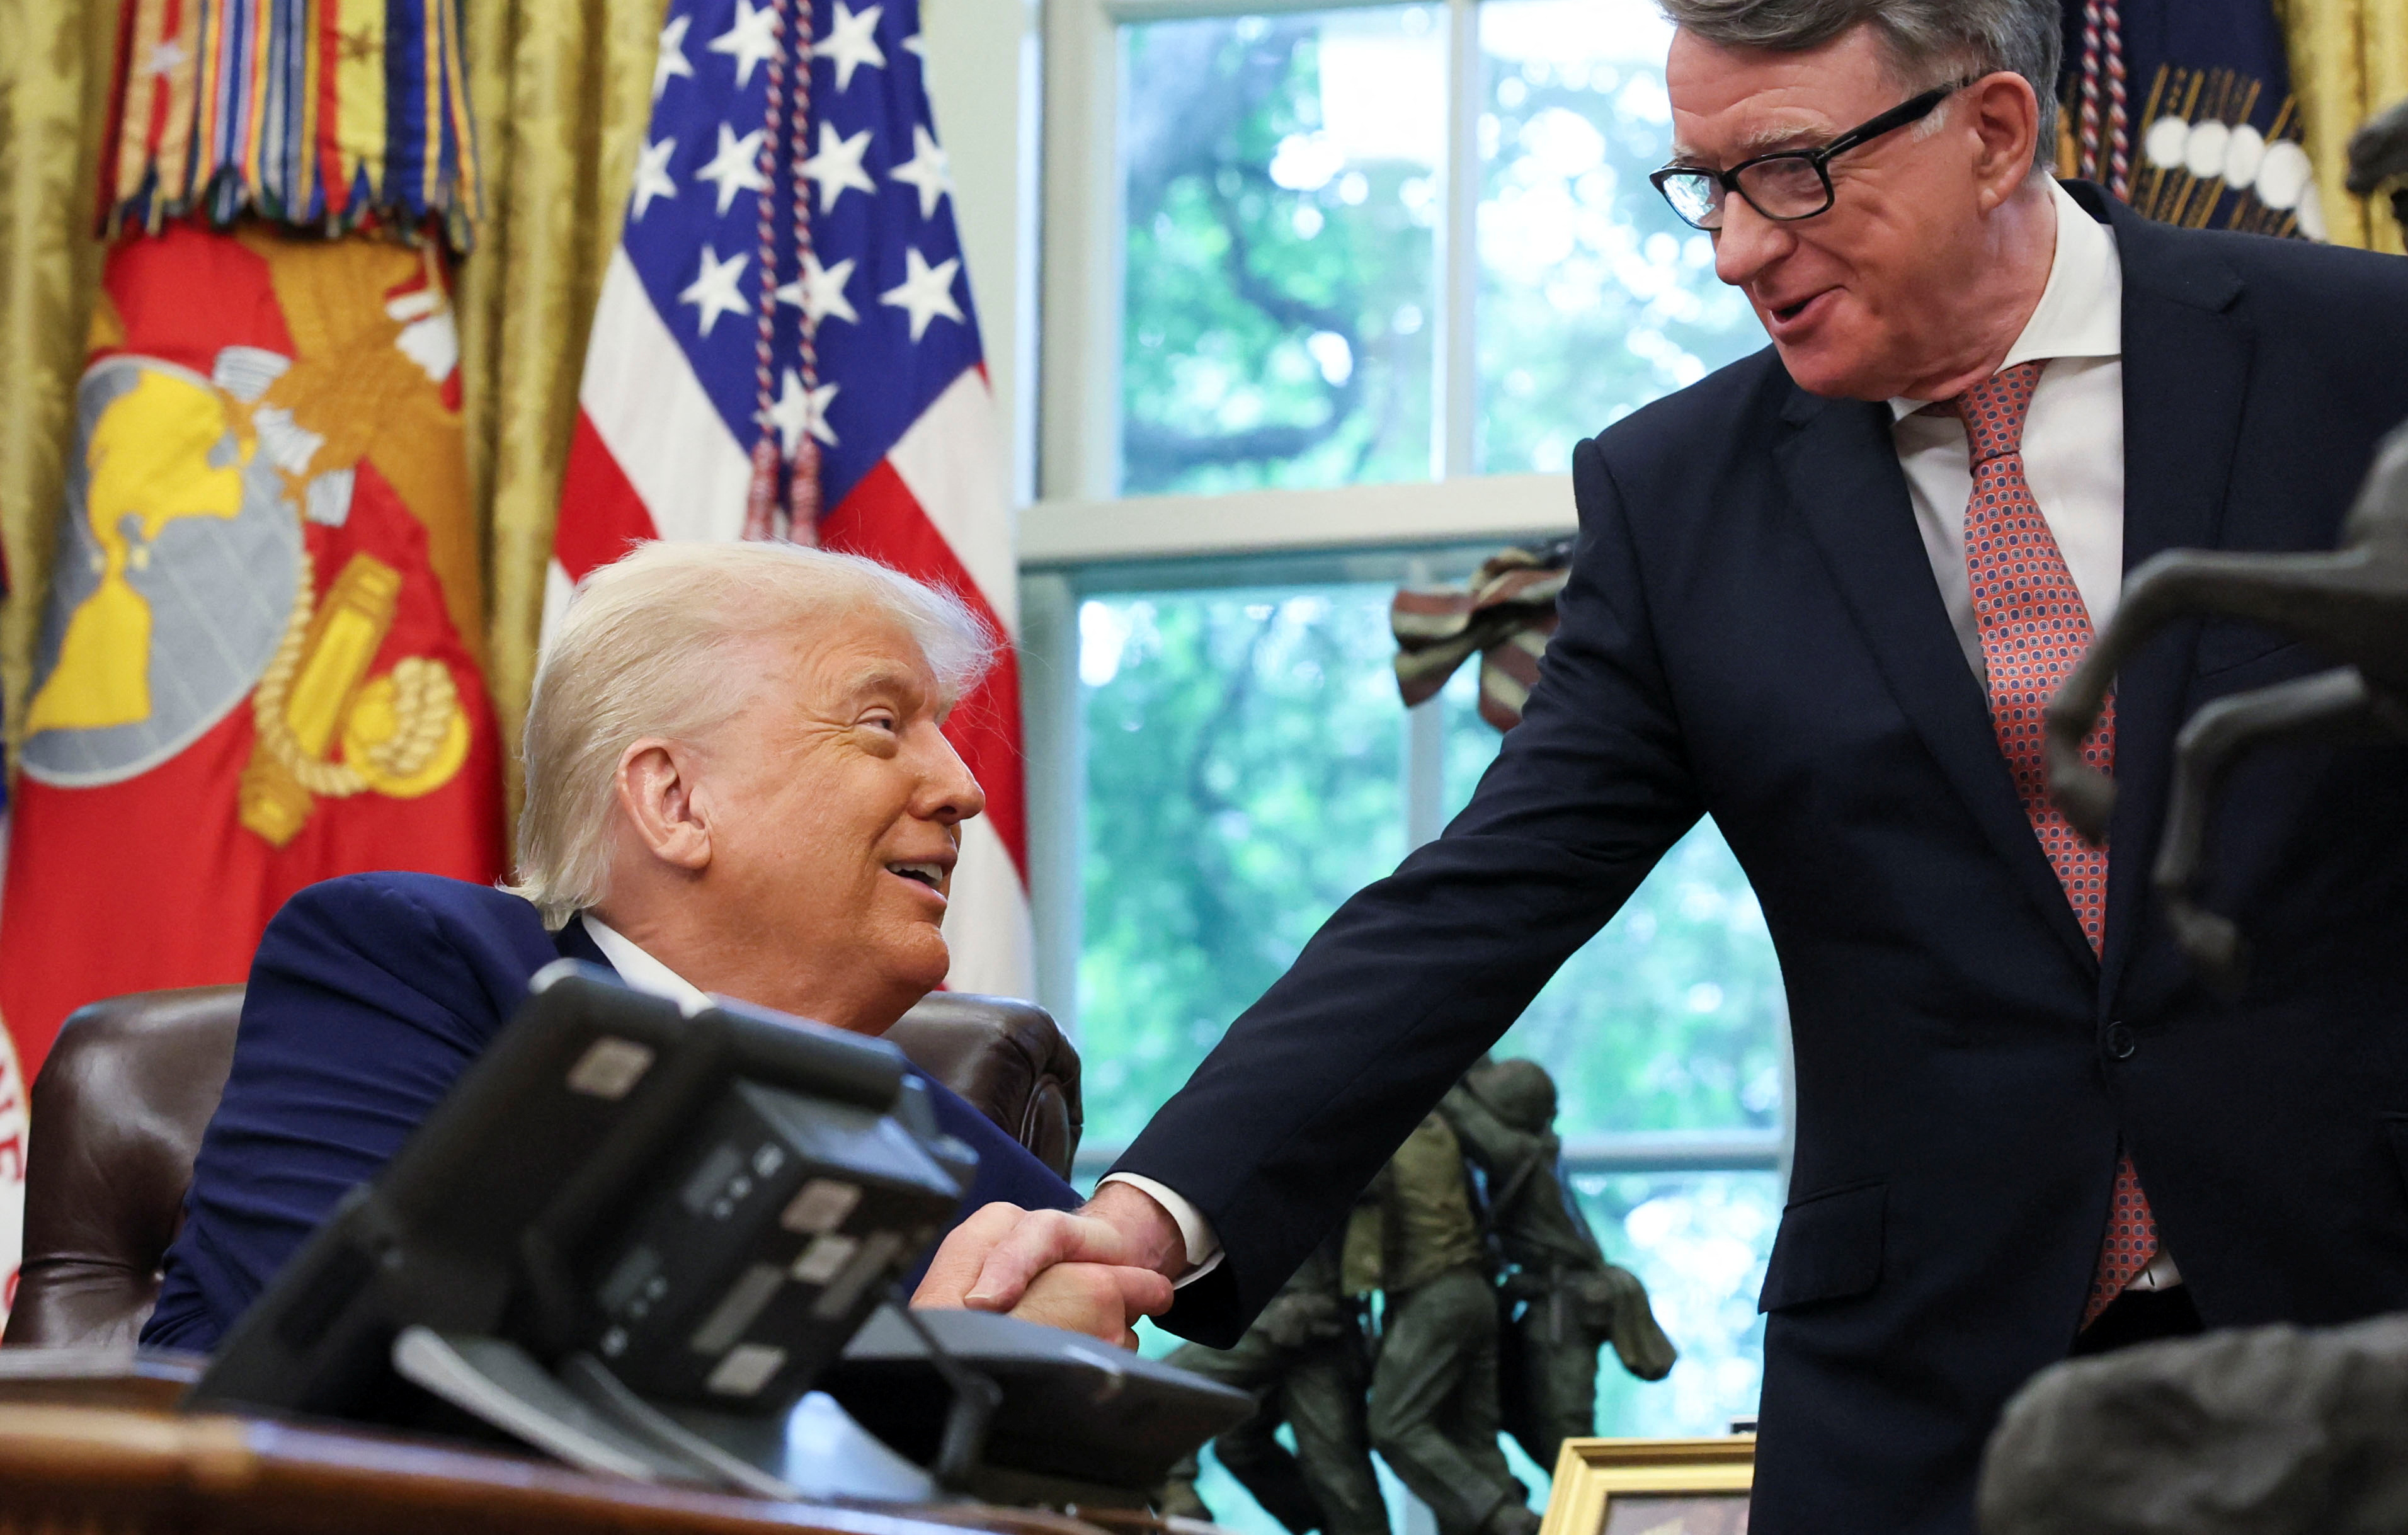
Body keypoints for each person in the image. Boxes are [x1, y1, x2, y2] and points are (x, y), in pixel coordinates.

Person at [913, 0, 2408, 1534]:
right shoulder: (1679, 499)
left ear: (1992, 128)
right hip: (1926, 1409)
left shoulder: (2387, 355)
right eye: (1702, 183)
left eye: (1789, 172)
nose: (1735, 247)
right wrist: (1152, 1217)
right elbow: (1471, 903)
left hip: (2389, 1339)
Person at [144, 542, 1163, 1354]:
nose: (962, 787)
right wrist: (927, 1367)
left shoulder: (952, 1148)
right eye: (882, 723)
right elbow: (339, 1378)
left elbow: (1126, 1413)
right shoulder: (409, 970)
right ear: (674, 800)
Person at [1440, 1059, 1675, 1471]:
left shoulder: (1515, 1152)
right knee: (1519, 1409)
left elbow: (1460, 1112)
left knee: (1566, 1431)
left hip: (1566, 1302)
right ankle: (1574, 1493)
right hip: (1557, 1295)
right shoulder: (1539, 1148)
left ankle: (1603, 1506)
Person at [1347, 1111, 1534, 1535]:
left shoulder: (1384, 1129)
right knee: (1473, 1439)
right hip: (1471, 1292)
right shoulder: (1439, 1124)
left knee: (1393, 1425)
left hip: (1434, 1297)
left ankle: (1501, 1515)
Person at [1157, 1228, 1388, 1535]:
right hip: (1291, 1308)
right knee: (1318, 1460)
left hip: (1300, 1309)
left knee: (1163, 1389)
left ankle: (1180, 1501)